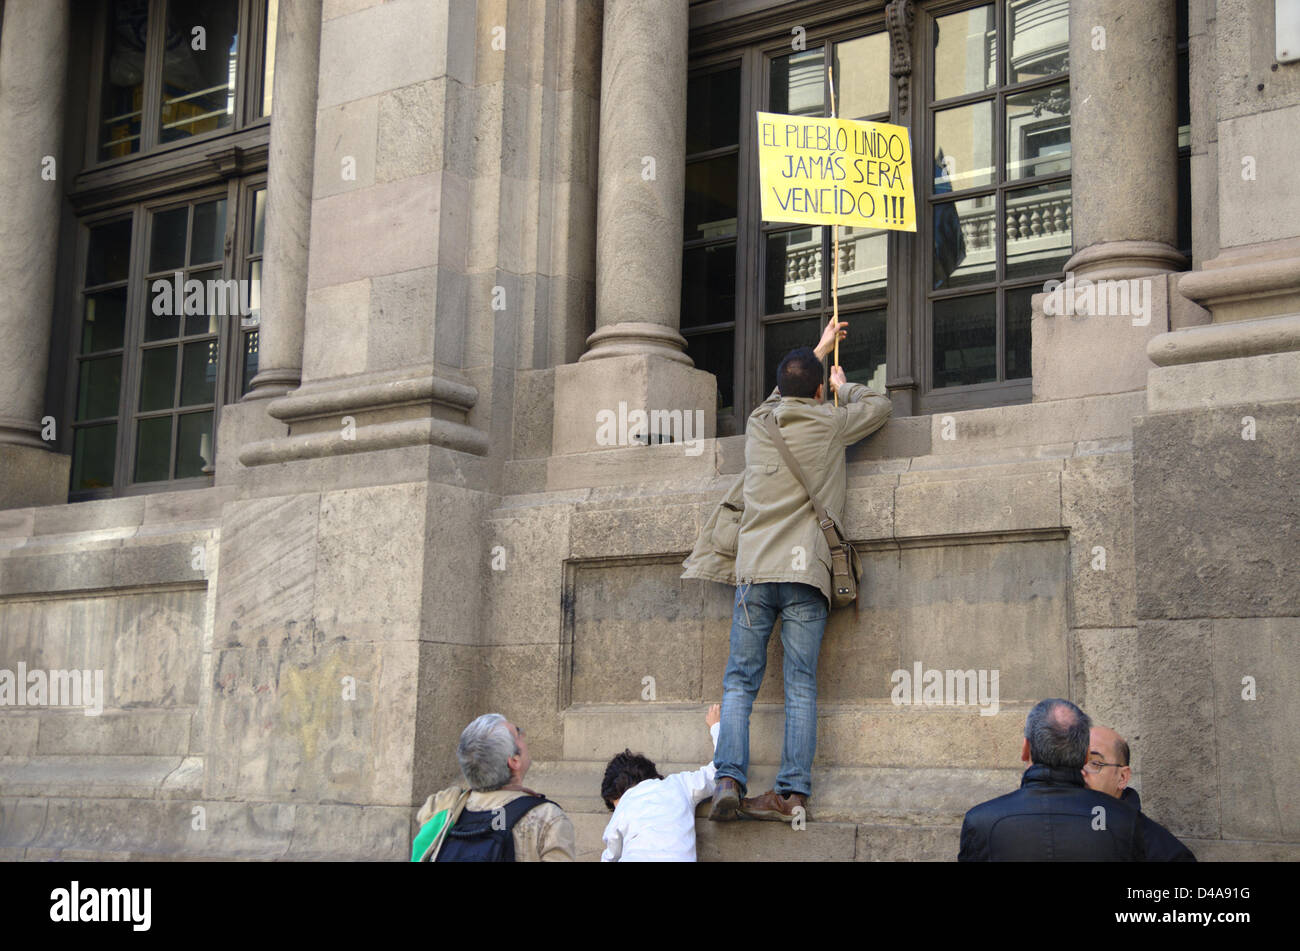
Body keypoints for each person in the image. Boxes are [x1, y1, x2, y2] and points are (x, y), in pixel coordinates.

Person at [684, 315, 893, 823]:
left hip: (754, 573)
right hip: (806, 575)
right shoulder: (831, 420)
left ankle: (729, 777)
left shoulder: (760, 424)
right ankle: (793, 792)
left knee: (739, 683)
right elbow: (880, 407)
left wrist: (818, 352)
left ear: (780, 388)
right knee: (800, 684)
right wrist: (846, 387)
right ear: (820, 391)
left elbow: (776, 397)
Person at [958, 698, 1194, 861]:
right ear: (1080, 756)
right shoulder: (1125, 823)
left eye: (1096, 763)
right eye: (1087, 761)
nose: (1084, 772)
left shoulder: (982, 820)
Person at [414, 713, 575, 861]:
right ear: (514, 761)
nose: (523, 735)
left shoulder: (442, 806)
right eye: (518, 733)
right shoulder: (547, 818)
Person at [599, 704, 721, 862]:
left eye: (614, 805)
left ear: (620, 792)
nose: (616, 810)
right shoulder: (680, 784)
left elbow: (611, 853)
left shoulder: (625, 804)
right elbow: (718, 771)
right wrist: (716, 726)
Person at [1084, 724, 1196, 861]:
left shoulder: (1164, 853)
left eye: (1094, 763)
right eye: (1074, 762)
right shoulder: (1057, 829)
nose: (1080, 772)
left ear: (1122, 777)